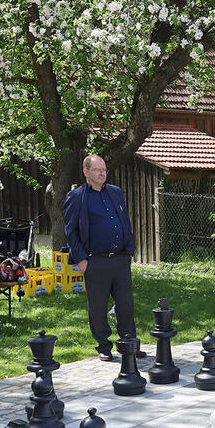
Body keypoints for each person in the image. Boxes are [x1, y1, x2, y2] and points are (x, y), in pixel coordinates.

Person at [63, 154, 137, 362]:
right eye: (97, 170)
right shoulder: (77, 197)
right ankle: (104, 345)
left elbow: (125, 220)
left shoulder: (115, 192)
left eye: (104, 170)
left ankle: (128, 342)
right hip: (95, 261)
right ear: (86, 172)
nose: (103, 173)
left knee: (126, 303)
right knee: (98, 306)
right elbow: (71, 231)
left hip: (121, 259)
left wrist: (129, 250)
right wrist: (81, 260)